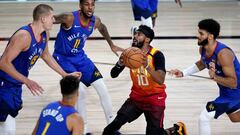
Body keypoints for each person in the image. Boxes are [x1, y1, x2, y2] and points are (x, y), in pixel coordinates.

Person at [0, 4, 80, 135]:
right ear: (43, 19)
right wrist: (27, 80)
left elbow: (46, 55)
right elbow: (3, 63)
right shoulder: (24, 36)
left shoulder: (44, 35)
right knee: (8, 128)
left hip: (15, 84)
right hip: (3, 83)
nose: (54, 20)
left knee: (6, 124)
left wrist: (65, 74)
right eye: (51, 17)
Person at [53, 0, 124, 134]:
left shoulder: (95, 21)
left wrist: (112, 44)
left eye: (92, 4)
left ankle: (112, 127)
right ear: (80, 6)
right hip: (63, 59)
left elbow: (102, 27)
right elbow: (50, 20)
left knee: (102, 88)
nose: (90, 7)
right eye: (86, 4)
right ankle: (84, 130)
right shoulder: (69, 18)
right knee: (81, 93)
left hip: (80, 58)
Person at [103, 25, 187, 135]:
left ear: (147, 39)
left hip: (155, 99)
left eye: (139, 34)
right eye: (135, 34)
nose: (135, 36)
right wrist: (120, 63)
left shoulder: (157, 55)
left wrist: (147, 66)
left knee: (154, 133)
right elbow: (113, 74)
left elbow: (161, 80)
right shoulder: (130, 53)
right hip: (136, 98)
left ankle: (175, 130)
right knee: (110, 128)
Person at [169, 19, 240, 135]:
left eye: (201, 33)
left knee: (204, 117)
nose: (198, 36)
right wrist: (183, 73)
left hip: (235, 92)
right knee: (234, 117)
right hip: (226, 92)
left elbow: (233, 83)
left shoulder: (223, 54)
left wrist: (215, 77)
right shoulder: (203, 49)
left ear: (211, 36)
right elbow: (202, 63)